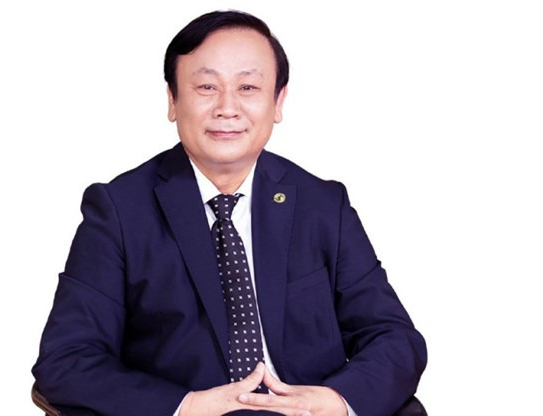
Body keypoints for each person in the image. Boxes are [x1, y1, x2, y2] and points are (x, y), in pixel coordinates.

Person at [32, 10, 427, 416]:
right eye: (206, 87)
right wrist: (185, 407)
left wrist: (336, 401)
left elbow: (394, 338)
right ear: (172, 100)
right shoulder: (118, 211)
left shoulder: (323, 205)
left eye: (248, 87)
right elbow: (66, 360)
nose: (227, 108)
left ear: (278, 102)